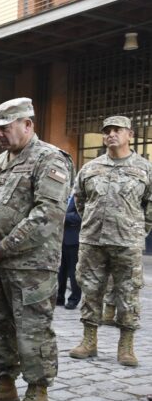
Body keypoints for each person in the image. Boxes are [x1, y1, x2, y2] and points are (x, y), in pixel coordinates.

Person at [0, 97, 71, 401]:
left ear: (28, 124)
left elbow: (47, 215)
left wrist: (4, 246)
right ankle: (4, 383)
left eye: (5, 127)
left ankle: (38, 395)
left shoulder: (49, 159)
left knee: (33, 330)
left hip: (31, 265)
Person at [69, 116, 152, 367]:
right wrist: (94, 223)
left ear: (131, 135)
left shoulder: (145, 168)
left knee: (128, 292)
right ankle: (89, 341)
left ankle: (126, 346)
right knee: (90, 290)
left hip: (127, 242)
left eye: (117, 130)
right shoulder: (91, 168)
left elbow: (149, 206)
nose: (111, 134)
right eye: (107, 131)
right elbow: (80, 201)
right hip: (93, 241)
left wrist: (138, 230)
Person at [56, 194, 82, 309]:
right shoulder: (65, 195)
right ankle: (59, 297)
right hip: (61, 238)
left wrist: (62, 216)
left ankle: (74, 299)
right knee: (61, 271)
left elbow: (81, 216)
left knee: (74, 272)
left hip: (74, 240)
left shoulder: (81, 197)